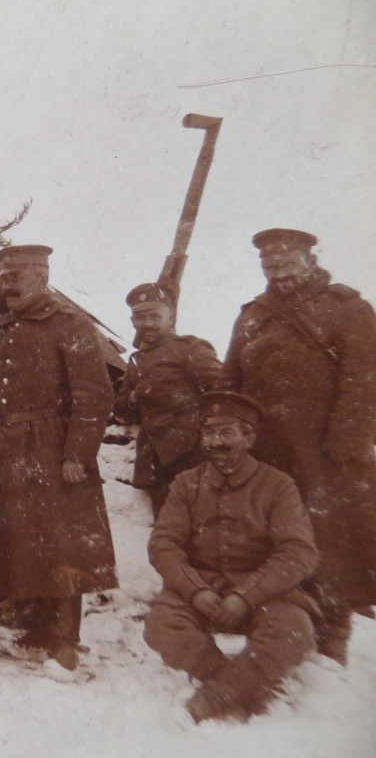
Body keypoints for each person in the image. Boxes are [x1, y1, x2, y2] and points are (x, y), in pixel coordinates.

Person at [219, 228, 376, 665]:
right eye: (269, 264)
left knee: (329, 542)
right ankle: (277, 628)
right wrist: (227, 436)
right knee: (269, 538)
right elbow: (230, 381)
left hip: (324, 454)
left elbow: (365, 380)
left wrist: (346, 445)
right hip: (264, 451)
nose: (277, 271)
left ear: (309, 259)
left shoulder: (347, 308)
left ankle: (331, 636)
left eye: (286, 261)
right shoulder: (252, 316)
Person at [144, 391, 319, 723]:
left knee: (294, 629)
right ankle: (242, 684)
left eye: (226, 433)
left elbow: (298, 551)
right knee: (161, 626)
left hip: (264, 595)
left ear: (248, 438)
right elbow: (164, 544)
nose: (215, 442)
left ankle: (216, 697)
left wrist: (246, 595)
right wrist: (195, 590)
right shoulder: (186, 484)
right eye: (208, 432)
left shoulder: (278, 486)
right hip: (203, 590)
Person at [0, 244, 118, 671]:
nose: (8, 286)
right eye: (4, 278)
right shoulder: (4, 328)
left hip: (53, 445)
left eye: (16, 277)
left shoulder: (70, 324)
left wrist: (77, 453)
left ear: (42, 277)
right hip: (13, 447)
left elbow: (94, 395)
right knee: (28, 537)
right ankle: (39, 626)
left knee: (64, 540)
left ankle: (65, 637)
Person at [114, 282, 221, 520]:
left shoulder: (190, 348)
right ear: (132, 321)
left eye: (155, 316)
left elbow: (222, 393)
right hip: (156, 462)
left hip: (194, 457)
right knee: (168, 530)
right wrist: (134, 397)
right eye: (140, 317)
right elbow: (121, 412)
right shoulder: (136, 361)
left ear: (170, 316)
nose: (148, 323)